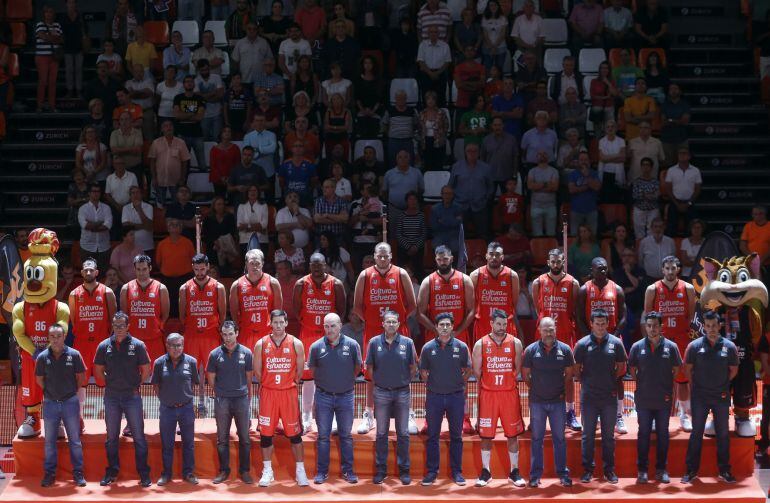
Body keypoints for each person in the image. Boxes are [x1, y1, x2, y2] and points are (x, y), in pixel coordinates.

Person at [352, 242, 417, 434]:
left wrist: (396, 323)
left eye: (385, 256)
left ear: (391, 256)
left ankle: (408, 413)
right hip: (373, 330)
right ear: (374, 256)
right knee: (370, 373)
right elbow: (357, 306)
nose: (382, 259)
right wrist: (372, 321)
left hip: (398, 329)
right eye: (379, 256)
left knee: (405, 370)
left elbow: (412, 305)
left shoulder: (401, 274)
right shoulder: (365, 275)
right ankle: (369, 414)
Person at [416, 245, 475, 432]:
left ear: (451, 258)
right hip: (434, 336)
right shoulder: (428, 281)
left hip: (459, 334)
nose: (443, 261)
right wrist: (436, 330)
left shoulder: (464, 280)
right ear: (435, 260)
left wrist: (457, 331)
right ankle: (430, 419)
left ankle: (465, 418)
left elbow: (472, 310)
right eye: (439, 259)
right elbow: (419, 313)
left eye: (446, 258)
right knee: (431, 377)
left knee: (463, 377)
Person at [93, 312, 152, 487]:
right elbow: (98, 370)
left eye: (122, 325)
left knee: (139, 437)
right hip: (111, 397)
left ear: (128, 327)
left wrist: (135, 384)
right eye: (115, 325)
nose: (118, 328)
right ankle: (112, 471)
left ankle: (144, 473)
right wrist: (111, 383)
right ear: (112, 326)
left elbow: (146, 369)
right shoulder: (104, 346)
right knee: (111, 437)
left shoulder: (138, 345)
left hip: (132, 396)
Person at [681, 310, 738, 484]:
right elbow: (687, 370)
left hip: (721, 397)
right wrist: (698, 386)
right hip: (700, 397)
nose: (711, 329)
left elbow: (734, 370)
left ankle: (724, 470)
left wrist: (721, 384)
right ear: (704, 327)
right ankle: (691, 471)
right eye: (708, 326)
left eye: (714, 325)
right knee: (696, 433)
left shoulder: (730, 347)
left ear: (719, 326)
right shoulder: (694, 346)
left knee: (723, 434)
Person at [254, 310, 309, 487]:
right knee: (265, 435)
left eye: (281, 322)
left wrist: (287, 383)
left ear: (286, 323)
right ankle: (267, 471)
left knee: (295, 435)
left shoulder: (296, 343)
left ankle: (300, 471)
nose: (278, 326)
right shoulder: (261, 344)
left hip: (288, 393)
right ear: (270, 323)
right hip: (268, 393)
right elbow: (258, 372)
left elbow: (299, 372)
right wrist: (270, 383)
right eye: (275, 322)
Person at [293, 253, 347, 432]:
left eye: (320, 265)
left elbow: (341, 311)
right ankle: (306, 416)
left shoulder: (336, 284)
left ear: (325, 265)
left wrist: (333, 330)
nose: (317, 268)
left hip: (328, 335)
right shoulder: (301, 284)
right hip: (307, 334)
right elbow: (296, 310)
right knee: (308, 377)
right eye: (313, 265)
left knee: (330, 375)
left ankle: (331, 417)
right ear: (309, 266)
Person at [573, 308, 627, 484]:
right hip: (589, 398)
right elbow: (576, 370)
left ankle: (609, 470)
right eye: (597, 323)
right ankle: (588, 470)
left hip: (609, 398)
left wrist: (610, 381)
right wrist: (586, 382)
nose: (601, 327)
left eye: (604, 323)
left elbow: (621, 367)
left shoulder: (616, 343)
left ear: (608, 324)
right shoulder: (582, 344)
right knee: (587, 435)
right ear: (591, 324)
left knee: (608, 436)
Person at [472, 309, 525, 487]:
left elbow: (517, 369)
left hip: (509, 394)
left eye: (504, 324)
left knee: (512, 435)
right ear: (491, 323)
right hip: (488, 395)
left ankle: (514, 471)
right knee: (486, 436)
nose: (502, 327)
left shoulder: (516, 343)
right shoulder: (480, 344)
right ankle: (486, 472)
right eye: (498, 324)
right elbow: (477, 372)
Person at [643, 255, 696, 431]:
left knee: (682, 379)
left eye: (674, 268)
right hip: (660, 339)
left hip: (681, 338)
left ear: (678, 269)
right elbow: (648, 316)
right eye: (667, 268)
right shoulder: (652, 289)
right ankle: (653, 417)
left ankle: (684, 415)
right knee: (655, 379)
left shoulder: (688, 288)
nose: (671, 271)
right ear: (662, 270)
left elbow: (691, 315)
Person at [308, 312, 362, 484]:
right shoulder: (316, 347)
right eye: (326, 326)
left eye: (333, 326)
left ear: (340, 326)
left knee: (346, 436)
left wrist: (344, 382)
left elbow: (357, 368)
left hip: (345, 396)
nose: (329, 329)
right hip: (323, 396)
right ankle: (322, 472)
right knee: (323, 436)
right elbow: (313, 371)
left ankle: (348, 471)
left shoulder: (352, 345)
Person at [628, 311, 681, 484]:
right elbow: (632, 370)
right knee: (643, 433)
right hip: (643, 399)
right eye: (649, 326)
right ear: (645, 327)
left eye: (655, 326)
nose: (652, 329)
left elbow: (676, 370)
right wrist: (643, 383)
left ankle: (661, 469)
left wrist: (664, 383)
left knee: (663, 434)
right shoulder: (636, 347)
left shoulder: (671, 347)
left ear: (661, 326)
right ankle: (642, 470)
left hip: (663, 399)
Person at [366, 310, 418, 485]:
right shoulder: (374, 342)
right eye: (387, 322)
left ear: (398, 324)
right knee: (381, 433)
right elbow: (370, 368)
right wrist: (380, 382)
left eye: (394, 322)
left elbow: (413, 368)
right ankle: (381, 470)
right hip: (381, 392)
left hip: (402, 392)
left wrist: (403, 382)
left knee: (403, 433)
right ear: (383, 324)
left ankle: (404, 470)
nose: (390, 324)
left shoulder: (408, 343)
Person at [531, 248, 581, 431]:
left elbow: (574, 310)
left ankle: (570, 412)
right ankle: (537, 414)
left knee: (568, 376)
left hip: (565, 334)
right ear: (548, 262)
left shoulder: (573, 283)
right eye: (552, 261)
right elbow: (538, 309)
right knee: (539, 374)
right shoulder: (538, 282)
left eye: (558, 261)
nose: (555, 264)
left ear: (563, 262)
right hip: (543, 335)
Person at [521, 317, 574, 487]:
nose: (549, 333)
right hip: (537, 402)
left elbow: (569, 374)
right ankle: (535, 476)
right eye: (545, 330)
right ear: (539, 331)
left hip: (558, 402)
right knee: (537, 439)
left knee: (560, 439)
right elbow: (525, 375)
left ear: (555, 329)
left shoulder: (565, 350)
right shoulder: (530, 350)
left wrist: (559, 390)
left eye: (551, 329)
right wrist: (537, 388)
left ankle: (563, 474)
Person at [419, 312, 471, 486]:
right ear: (436, 327)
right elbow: (423, 371)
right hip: (434, 397)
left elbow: (468, 369)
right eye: (441, 325)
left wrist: (458, 383)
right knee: (433, 436)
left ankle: (457, 472)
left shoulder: (461, 347)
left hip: (455, 397)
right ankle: (432, 472)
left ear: (452, 327)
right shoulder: (427, 348)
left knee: (456, 436)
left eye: (448, 324)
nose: (445, 327)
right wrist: (433, 384)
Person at [578, 257, 628, 432]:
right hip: (591, 340)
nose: (603, 271)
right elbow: (579, 317)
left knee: (618, 377)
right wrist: (590, 338)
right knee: (590, 375)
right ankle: (592, 415)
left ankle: (619, 415)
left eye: (605, 268)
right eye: (599, 268)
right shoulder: (584, 290)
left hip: (613, 337)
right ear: (591, 270)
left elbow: (623, 316)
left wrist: (613, 337)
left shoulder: (617, 289)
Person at [35, 324, 87, 487]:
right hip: (50, 404)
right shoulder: (42, 357)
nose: (55, 339)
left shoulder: (74, 354)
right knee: (49, 442)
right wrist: (51, 392)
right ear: (48, 338)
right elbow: (39, 379)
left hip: (70, 402)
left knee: (75, 440)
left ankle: (78, 473)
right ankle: (49, 474)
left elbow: (81, 377)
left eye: (59, 336)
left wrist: (70, 391)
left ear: (64, 336)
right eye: (52, 336)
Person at [207, 321, 254, 484]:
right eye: (224, 334)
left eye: (230, 334)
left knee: (245, 437)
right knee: (222, 438)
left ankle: (245, 471)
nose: (227, 338)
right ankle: (223, 471)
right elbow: (211, 378)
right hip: (222, 400)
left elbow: (249, 378)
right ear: (221, 334)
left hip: (241, 399)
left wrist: (247, 397)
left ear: (237, 333)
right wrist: (220, 392)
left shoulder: (247, 353)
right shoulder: (214, 354)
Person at [68, 258, 117, 417]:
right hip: (81, 344)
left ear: (96, 272)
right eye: (85, 270)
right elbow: (74, 320)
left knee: (105, 380)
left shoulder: (107, 292)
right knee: (79, 381)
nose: (88, 272)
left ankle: (111, 417)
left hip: (101, 344)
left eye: (91, 270)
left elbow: (113, 319)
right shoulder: (74, 294)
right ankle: (79, 418)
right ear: (82, 272)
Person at [179, 254, 226, 410]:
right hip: (192, 335)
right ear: (193, 268)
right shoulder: (185, 288)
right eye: (196, 269)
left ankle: (219, 403)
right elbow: (182, 315)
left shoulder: (218, 287)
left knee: (213, 371)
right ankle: (189, 403)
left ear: (208, 267)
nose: (200, 272)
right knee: (189, 371)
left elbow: (222, 314)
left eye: (202, 269)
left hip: (211, 335)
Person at [150, 333, 199, 486]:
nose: (176, 348)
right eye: (173, 345)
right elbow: (156, 385)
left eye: (179, 345)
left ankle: (188, 473)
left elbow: (193, 384)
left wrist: (184, 398)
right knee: (167, 444)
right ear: (167, 345)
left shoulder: (191, 362)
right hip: (167, 410)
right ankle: (166, 474)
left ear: (183, 346)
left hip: (186, 409)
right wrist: (165, 400)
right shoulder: (159, 363)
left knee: (189, 444)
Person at [120, 255, 170, 364]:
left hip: (154, 338)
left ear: (150, 268)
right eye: (138, 269)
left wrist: (159, 327)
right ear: (134, 269)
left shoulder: (161, 288)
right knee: (133, 371)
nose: (141, 272)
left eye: (144, 269)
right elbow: (124, 315)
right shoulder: (126, 288)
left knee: (156, 371)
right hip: (133, 339)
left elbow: (165, 314)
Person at [230, 248, 283, 351]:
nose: (255, 266)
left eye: (257, 263)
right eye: (252, 263)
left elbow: (277, 312)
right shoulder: (237, 285)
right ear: (246, 264)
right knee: (247, 361)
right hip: (246, 332)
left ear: (262, 263)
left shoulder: (273, 283)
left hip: (267, 332)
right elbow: (234, 312)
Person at [470, 242, 521, 343]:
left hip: (505, 325)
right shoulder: (476, 275)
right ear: (486, 256)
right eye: (491, 254)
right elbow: (471, 303)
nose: (494, 257)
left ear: (502, 257)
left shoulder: (512, 276)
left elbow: (514, 303)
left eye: (497, 255)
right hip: (483, 325)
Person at [449, 142, 494, 239]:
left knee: (482, 235)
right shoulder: (456, 166)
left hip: (480, 206)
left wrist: (485, 199)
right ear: (465, 152)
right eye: (469, 151)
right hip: (460, 206)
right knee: (461, 235)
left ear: (479, 153)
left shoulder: (486, 168)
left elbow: (490, 187)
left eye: (475, 151)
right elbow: (451, 185)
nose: (472, 153)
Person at [148, 121, 191, 207]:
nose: (169, 128)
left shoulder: (181, 142)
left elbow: (184, 162)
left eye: (170, 125)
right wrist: (154, 177)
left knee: (177, 203)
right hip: (160, 179)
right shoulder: (156, 143)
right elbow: (152, 161)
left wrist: (182, 178)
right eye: (166, 126)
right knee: (160, 204)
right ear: (162, 129)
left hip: (176, 180)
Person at [664, 147, 702, 236]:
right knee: (671, 228)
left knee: (691, 228)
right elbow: (668, 189)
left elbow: (697, 189)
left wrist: (688, 203)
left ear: (689, 156)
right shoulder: (671, 170)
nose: (682, 155)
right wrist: (677, 204)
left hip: (689, 203)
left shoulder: (695, 171)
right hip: (675, 202)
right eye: (680, 153)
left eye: (684, 153)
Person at [173, 76, 207, 171]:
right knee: (183, 164)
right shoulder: (178, 98)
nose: (189, 83)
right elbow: (177, 115)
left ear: (194, 84)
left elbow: (200, 117)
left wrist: (184, 114)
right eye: (187, 81)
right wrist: (193, 113)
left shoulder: (199, 98)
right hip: (182, 134)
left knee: (202, 164)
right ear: (183, 84)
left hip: (197, 135)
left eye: (191, 81)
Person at [78, 184, 112, 272]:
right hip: (87, 247)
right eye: (94, 191)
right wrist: (100, 223)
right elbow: (85, 225)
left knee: (103, 274)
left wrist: (92, 226)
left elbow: (108, 226)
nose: (96, 193)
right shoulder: (83, 209)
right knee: (88, 274)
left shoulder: (106, 208)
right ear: (89, 193)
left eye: (98, 191)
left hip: (104, 247)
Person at [35, 5, 63, 112]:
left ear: (53, 14)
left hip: (54, 57)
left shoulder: (57, 25)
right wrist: (54, 38)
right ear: (44, 14)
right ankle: (40, 105)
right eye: (47, 12)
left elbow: (61, 40)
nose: (49, 14)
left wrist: (49, 37)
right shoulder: (40, 24)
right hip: (42, 57)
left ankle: (52, 105)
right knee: (43, 81)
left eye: (51, 12)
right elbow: (43, 36)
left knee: (53, 82)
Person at [416, 26, 452, 106]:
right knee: (426, 96)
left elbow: (447, 62)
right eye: (431, 32)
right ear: (428, 34)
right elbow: (420, 61)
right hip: (426, 74)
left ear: (438, 34)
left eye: (435, 32)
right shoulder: (423, 45)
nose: (433, 34)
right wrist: (430, 73)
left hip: (440, 74)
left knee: (441, 97)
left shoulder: (445, 45)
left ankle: (441, 113)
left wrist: (437, 73)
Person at [568, 151, 601, 235]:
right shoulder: (573, 174)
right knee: (575, 236)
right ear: (578, 161)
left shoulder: (594, 173)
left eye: (586, 159)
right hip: (576, 210)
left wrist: (587, 175)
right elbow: (572, 190)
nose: (583, 162)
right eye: (581, 160)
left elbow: (597, 187)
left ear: (589, 161)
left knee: (592, 237)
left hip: (591, 210)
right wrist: (587, 186)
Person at [526, 151, 559, 236]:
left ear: (548, 156)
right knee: (537, 235)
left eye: (545, 153)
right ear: (536, 157)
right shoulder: (532, 171)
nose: (542, 155)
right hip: (536, 206)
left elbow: (555, 187)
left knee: (551, 234)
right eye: (540, 154)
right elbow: (530, 186)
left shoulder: (554, 171)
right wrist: (546, 184)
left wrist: (537, 186)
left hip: (550, 206)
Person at [481, 117, 519, 190]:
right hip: (490, 176)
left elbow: (515, 157)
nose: (497, 127)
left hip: (507, 175)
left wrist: (514, 174)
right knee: (489, 196)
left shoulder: (511, 139)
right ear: (492, 126)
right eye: (495, 125)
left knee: (507, 197)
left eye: (499, 125)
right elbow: (482, 158)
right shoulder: (486, 140)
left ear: (503, 125)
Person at [231, 21, 272, 86]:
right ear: (245, 29)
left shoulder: (264, 42)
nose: (252, 31)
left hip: (261, 79)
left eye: (254, 29)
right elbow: (235, 61)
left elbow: (270, 60)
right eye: (249, 29)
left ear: (257, 30)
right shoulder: (240, 43)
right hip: (244, 79)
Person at [660, 83, 691, 165]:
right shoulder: (664, 105)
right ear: (668, 91)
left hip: (682, 139)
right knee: (667, 165)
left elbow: (685, 121)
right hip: (666, 140)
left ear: (680, 91)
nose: (673, 91)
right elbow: (663, 121)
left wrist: (670, 120)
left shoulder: (685, 104)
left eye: (675, 89)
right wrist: (678, 120)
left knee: (683, 164)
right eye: (671, 89)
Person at [195, 59, 226, 142]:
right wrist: (213, 93)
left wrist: (204, 98)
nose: (205, 72)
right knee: (204, 139)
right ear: (199, 70)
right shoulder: (196, 80)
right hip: (204, 115)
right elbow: (198, 99)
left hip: (217, 113)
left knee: (217, 138)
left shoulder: (216, 77)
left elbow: (220, 95)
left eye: (207, 69)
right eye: (203, 70)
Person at [631, 157, 661, 239]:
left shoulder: (655, 182)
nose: (645, 167)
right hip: (639, 208)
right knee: (639, 232)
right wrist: (648, 194)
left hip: (653, 209)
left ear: (651, 167)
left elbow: (657, 195)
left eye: (647, 165)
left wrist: (644, 194)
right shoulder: (636, 181)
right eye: (643, 165)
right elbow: (635, 195)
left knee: (652, 232)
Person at [597, 120, 626, 201]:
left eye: (612, 126)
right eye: (608, 127)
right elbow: (602, 159)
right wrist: (617, 155)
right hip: (605, 172)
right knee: (606, 197)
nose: (610, 128)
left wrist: (607, 158)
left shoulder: (621, 141)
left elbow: (623, 158)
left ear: (616, 128)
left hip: (617, 172)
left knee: (617, 198)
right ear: (605, 129)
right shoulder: (601, 141)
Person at [121, 186, 153, 255]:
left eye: (137, 192)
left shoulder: (149, 207)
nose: (135, 195)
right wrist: (144, 226)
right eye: (133, 193)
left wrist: (139, 209)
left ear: (141, 195)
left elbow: (149, 226)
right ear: (130, 196)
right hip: (131, 247)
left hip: (147, 246)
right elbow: (126, 226)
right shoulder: (126, 208)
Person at [236, 185, 268, 253]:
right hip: (245, 240)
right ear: (247, 193)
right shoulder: (241, 206)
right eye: (250, 190)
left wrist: (247, 227)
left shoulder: (264, 206)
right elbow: (239, 226)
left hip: (261, 240)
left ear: (258, 192)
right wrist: (259, 228)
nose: (252, 192)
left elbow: (264, 225)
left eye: (254, 190)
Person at [590, 61, 619, 135]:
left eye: (606, 68)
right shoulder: (594, 81)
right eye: (602, 68)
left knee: (610, 129)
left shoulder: (612, 81)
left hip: (609, 107)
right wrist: (605, 97)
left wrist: (608, 83)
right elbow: (593, 96)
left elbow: (615, 94)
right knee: (598, 131)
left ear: (609, 70)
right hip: (597, 107)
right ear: (599, 69)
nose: (604, 70)